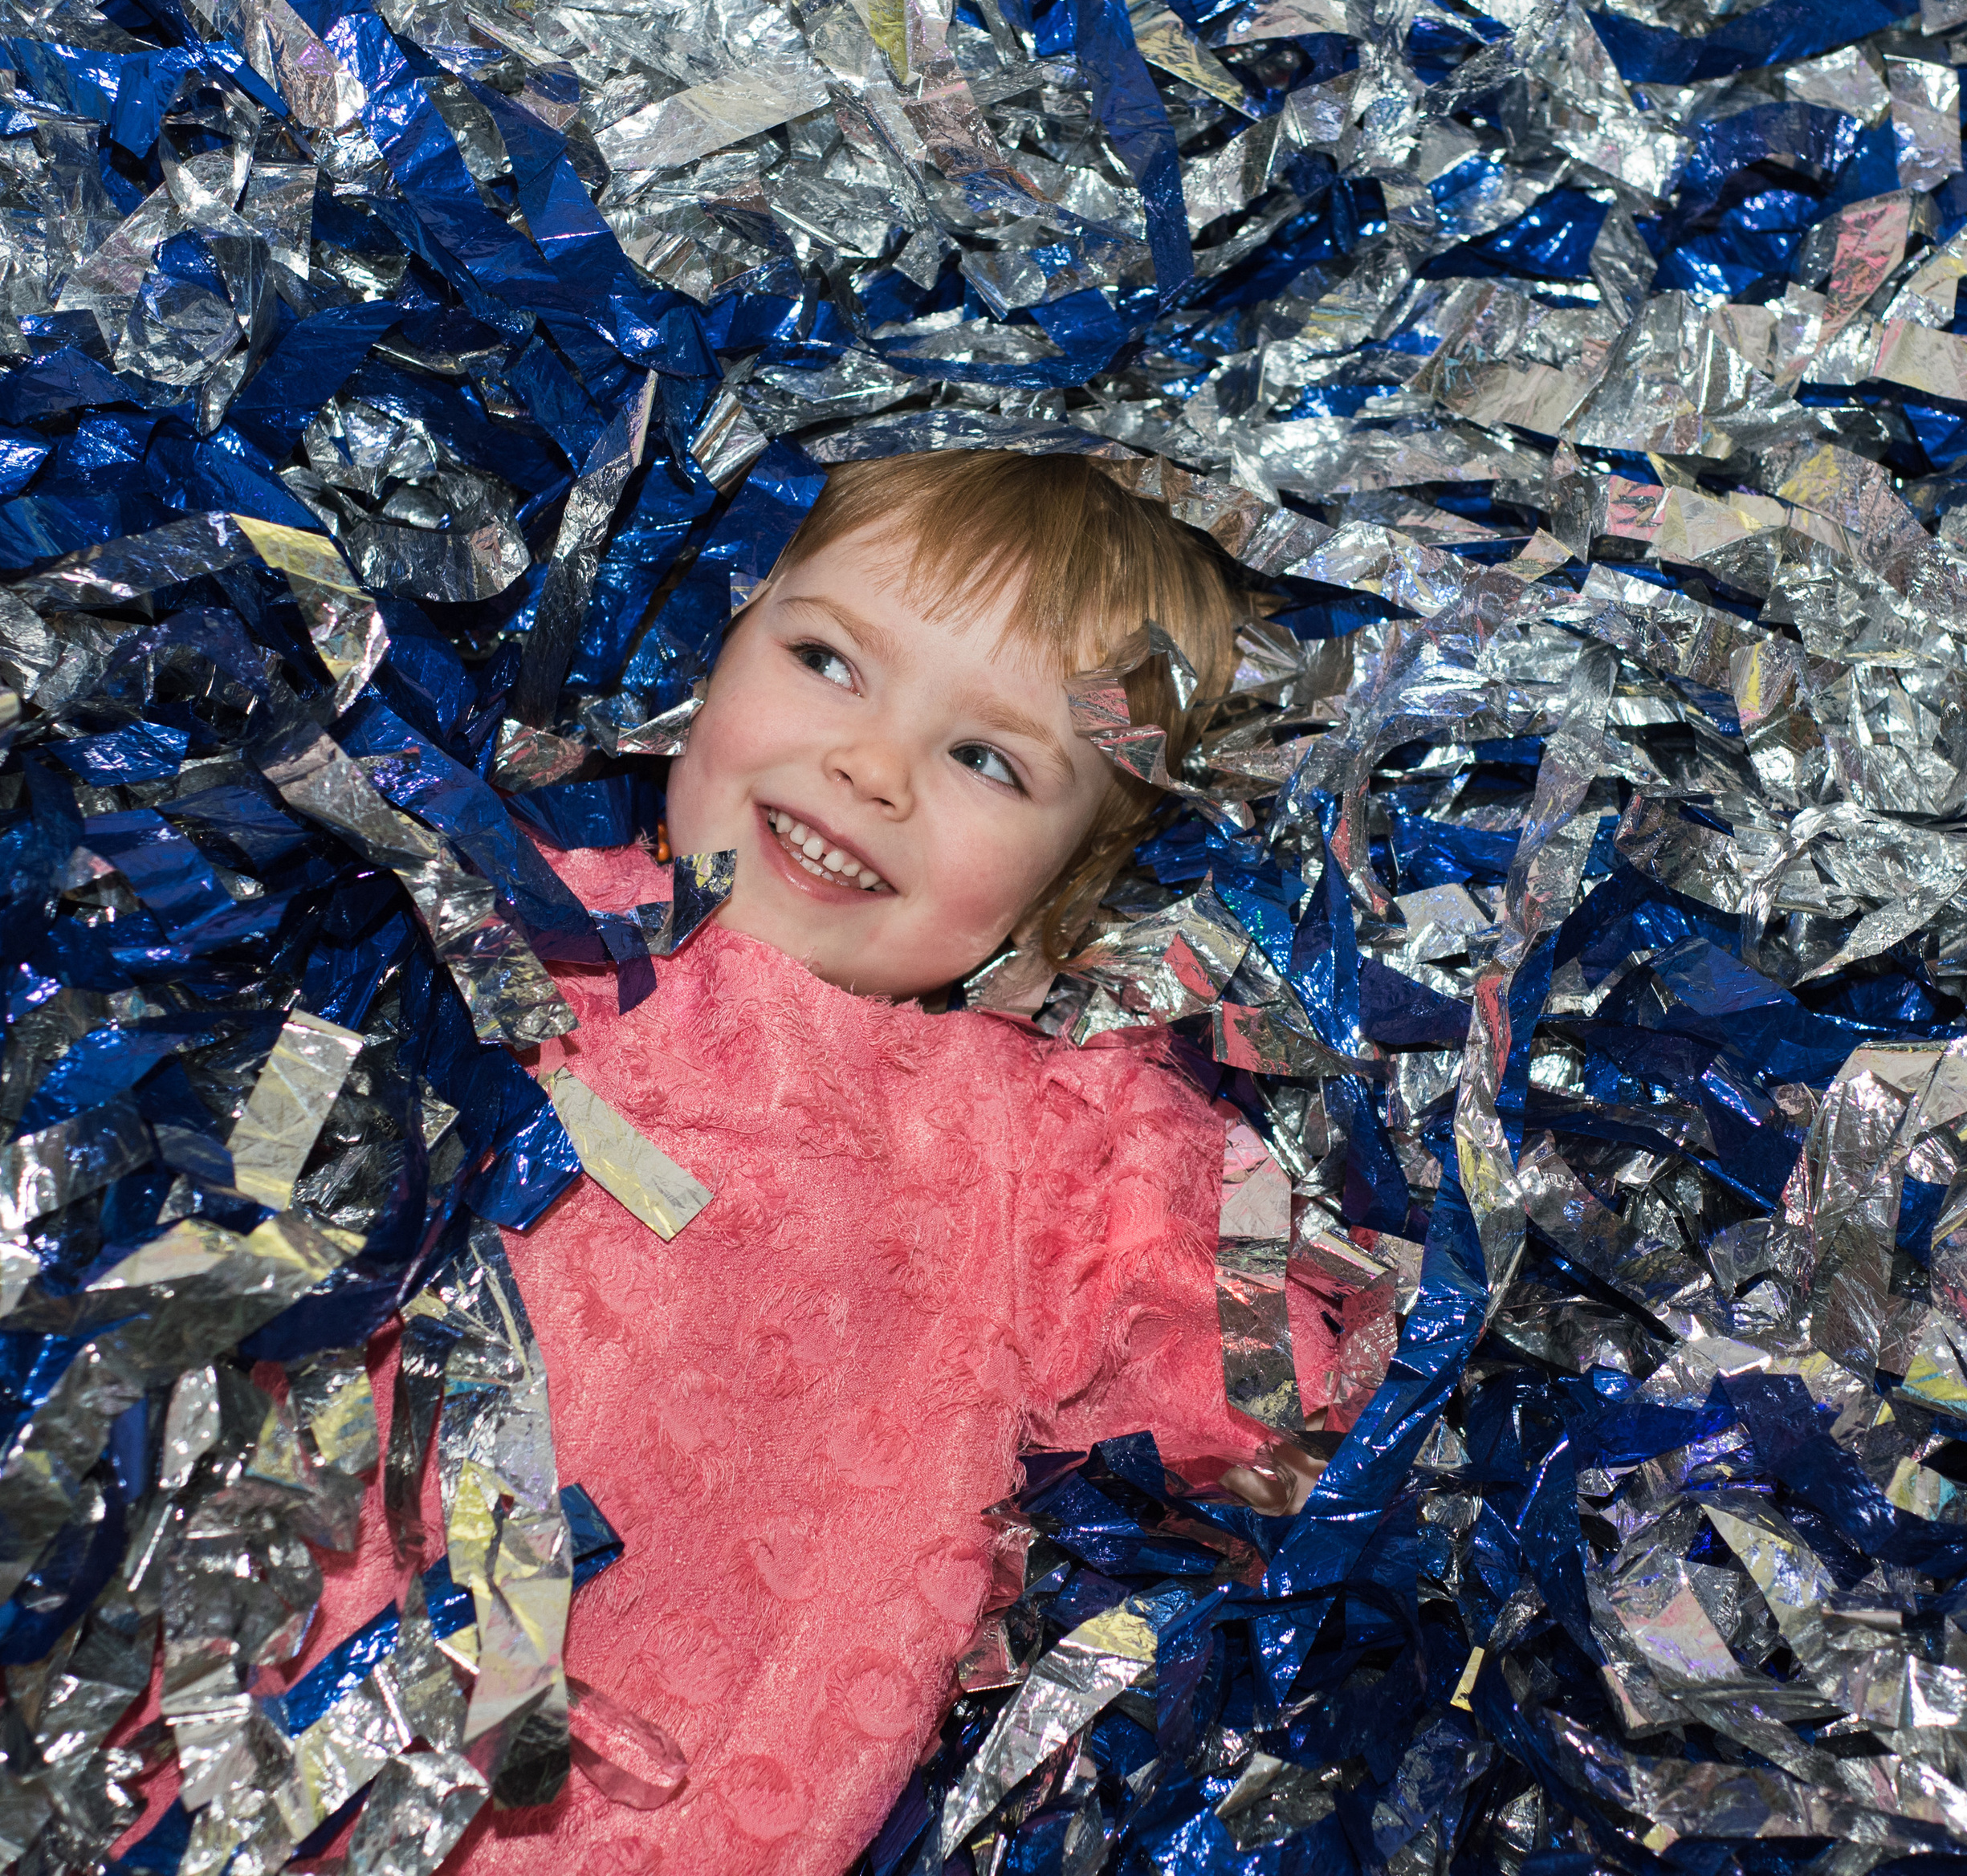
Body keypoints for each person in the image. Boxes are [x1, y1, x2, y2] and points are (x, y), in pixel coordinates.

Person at [287, 450, 1334, 1873]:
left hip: (661, 1816)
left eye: (988, 760)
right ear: (713, 643)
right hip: (238, 1669)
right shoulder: (491, 920)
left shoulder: (1046, 1153)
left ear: (1070, 884)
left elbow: (1267, 1412)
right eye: (829, 658)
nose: (870, 766)